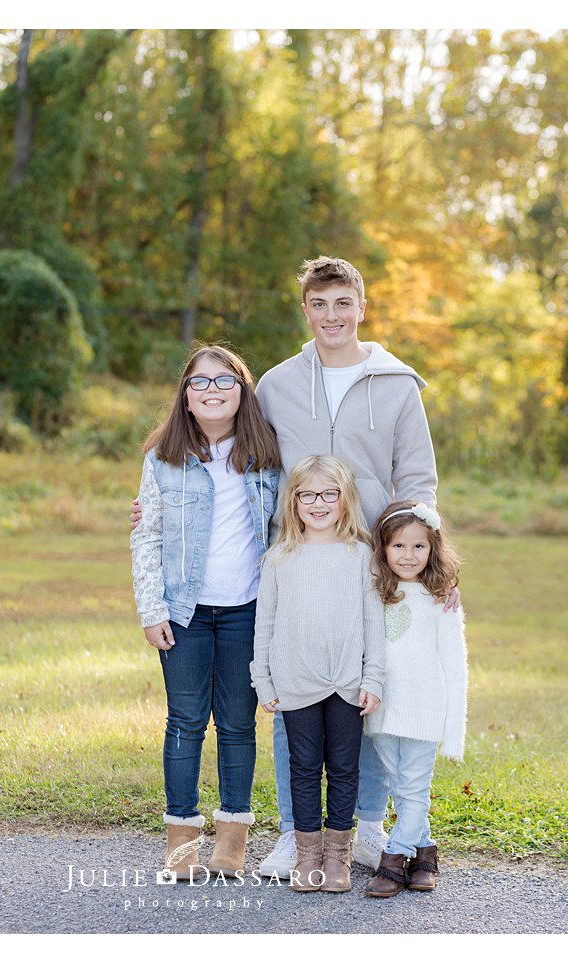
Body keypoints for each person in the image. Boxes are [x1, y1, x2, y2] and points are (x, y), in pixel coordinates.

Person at [137, 256, 444, 876]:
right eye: (319, 304)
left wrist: (429, 560)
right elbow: (237, 456)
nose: (331, 316)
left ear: (362, 306)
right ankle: (293, 831)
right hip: (295, 564)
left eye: (342, 303)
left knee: (369, 692)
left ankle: (364, 825)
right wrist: (157, 505)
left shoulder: (396, 383)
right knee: (291, 689)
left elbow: (418, 480)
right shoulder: (276, 384)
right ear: (306, 310)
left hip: (374, 565)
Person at [131, 345, 284, 880]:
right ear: (186, 397)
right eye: (201, 382)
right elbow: (146, 537)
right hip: (184, 613)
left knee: (239, 724)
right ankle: (180, 844)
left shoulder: (266, 456)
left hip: (248, 609)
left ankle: (231, 843)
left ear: (243, 392)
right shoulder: (162, 460)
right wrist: (152, 610)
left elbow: (286, 529)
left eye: (225, 381)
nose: (213, 390)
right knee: (185, 722)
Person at [251, 455, 386, 894]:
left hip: (346, 681)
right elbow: (265, 626)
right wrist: (264, 681)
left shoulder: (361, 556)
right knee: (304, 767)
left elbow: (373, 624)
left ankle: (337, 855)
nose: (319, 502)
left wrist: (373, 678)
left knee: (345, 769)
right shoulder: (279, 558)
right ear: (294, 502)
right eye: (307, 495)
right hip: (295, 682)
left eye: (330, 494)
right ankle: (308, 855)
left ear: (346, 501)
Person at [361, 501, 467, 898]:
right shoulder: (374, 591)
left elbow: (456, 666)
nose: (408, 556)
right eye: (399, 547)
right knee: (400, 786)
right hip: (383, 706)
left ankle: (394, 860)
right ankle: (425, 853)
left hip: (425, 707)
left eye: (419, 547)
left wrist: (454, 731)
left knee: (415, 786)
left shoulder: (441, 599)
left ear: (433, 549)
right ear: (383, 548)